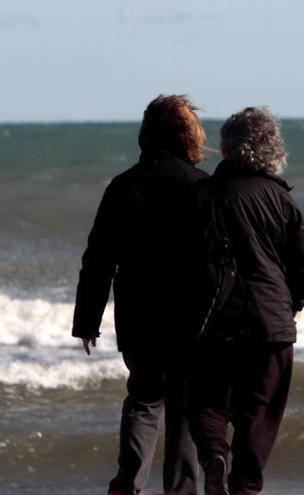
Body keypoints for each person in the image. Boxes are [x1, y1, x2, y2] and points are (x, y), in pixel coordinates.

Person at [71, 95, 207, 495]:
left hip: (138, 318)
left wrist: (87, 322)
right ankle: (181, 490)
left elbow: (97, 259)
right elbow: (218, 260)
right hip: (190, 318)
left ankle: (127, 484)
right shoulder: (201, 186)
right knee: (183, 408)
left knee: (144, 399)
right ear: (187, 136)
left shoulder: (123, 186)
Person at [186, 107, 304, 495]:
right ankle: (245, 486)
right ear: (272, 150)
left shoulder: (203, 193)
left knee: (208, 402)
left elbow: (183, 259)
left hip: (215, 320)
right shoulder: (281, 199)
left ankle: (213, 452)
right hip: (270, 324)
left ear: (226, 147)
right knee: (258, 416)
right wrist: (289, 303)